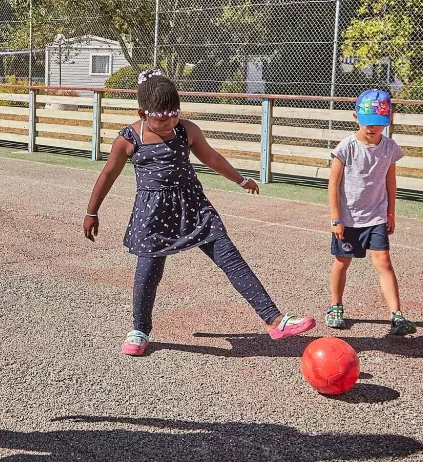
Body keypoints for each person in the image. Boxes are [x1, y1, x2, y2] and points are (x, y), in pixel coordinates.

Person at [83, 69, 316, 356]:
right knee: (148, 272)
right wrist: (92, 212)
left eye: (174, 114)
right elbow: (108, 174)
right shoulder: (129, 139)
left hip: (193, 207)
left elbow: (212, 158)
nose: (169, 122)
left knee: (230, 257)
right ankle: (139, 329)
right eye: (160, 117)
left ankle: (275, 319)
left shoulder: (187, 130)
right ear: (143, 113)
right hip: (152, 214)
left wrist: (240, 179)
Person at [324, 89, 415, 336]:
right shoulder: (346, 147)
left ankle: (397, 315)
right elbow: (333, 184)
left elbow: (391, 181)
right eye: (367, 123)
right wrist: (336, 218)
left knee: (384, 261)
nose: (372, 128)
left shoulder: (390, 148)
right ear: (356, 117)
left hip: (376, 216)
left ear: (388, 122)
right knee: (342, 262)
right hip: (348, 218)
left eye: (378, 124)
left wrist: (391, 214)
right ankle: (335, 307)